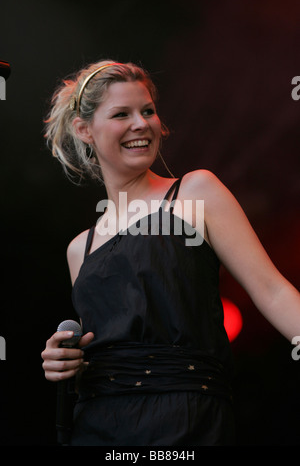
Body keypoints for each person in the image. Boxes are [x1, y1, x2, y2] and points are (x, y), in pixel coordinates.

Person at [41, 60, 300, 446]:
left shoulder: (195, 192)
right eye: (122, 114)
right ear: (85, 130)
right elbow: (110, 348)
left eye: (147, 111)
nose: (142, 124)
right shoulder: (81, 248)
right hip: (98, 426)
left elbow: (272, 290)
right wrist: (65, 364)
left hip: (185, 419)